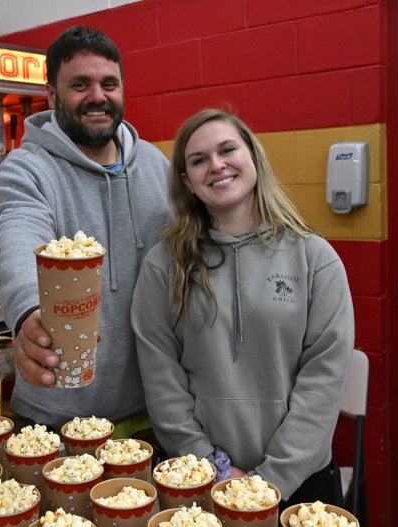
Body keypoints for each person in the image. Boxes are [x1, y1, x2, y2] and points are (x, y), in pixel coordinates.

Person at [131, 108, 354, 507]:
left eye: (227, 149)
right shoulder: (164, 264)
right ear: (187, 181)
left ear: (252, 155)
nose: (216, 165)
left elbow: (324, 378)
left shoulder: (315, 258)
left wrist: (269, 481)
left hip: (301, 481)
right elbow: (160, 376)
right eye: (198, 160)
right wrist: (209, 465)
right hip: (200, 480)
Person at [0, 26, 170, 429]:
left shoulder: (157, 166)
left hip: (155, 409)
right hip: (60, 417)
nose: (97, 97)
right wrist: (29, 314)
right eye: (80, 85)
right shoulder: (25, 172)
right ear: (51, 94)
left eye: (109, 84)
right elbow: (16, 236)